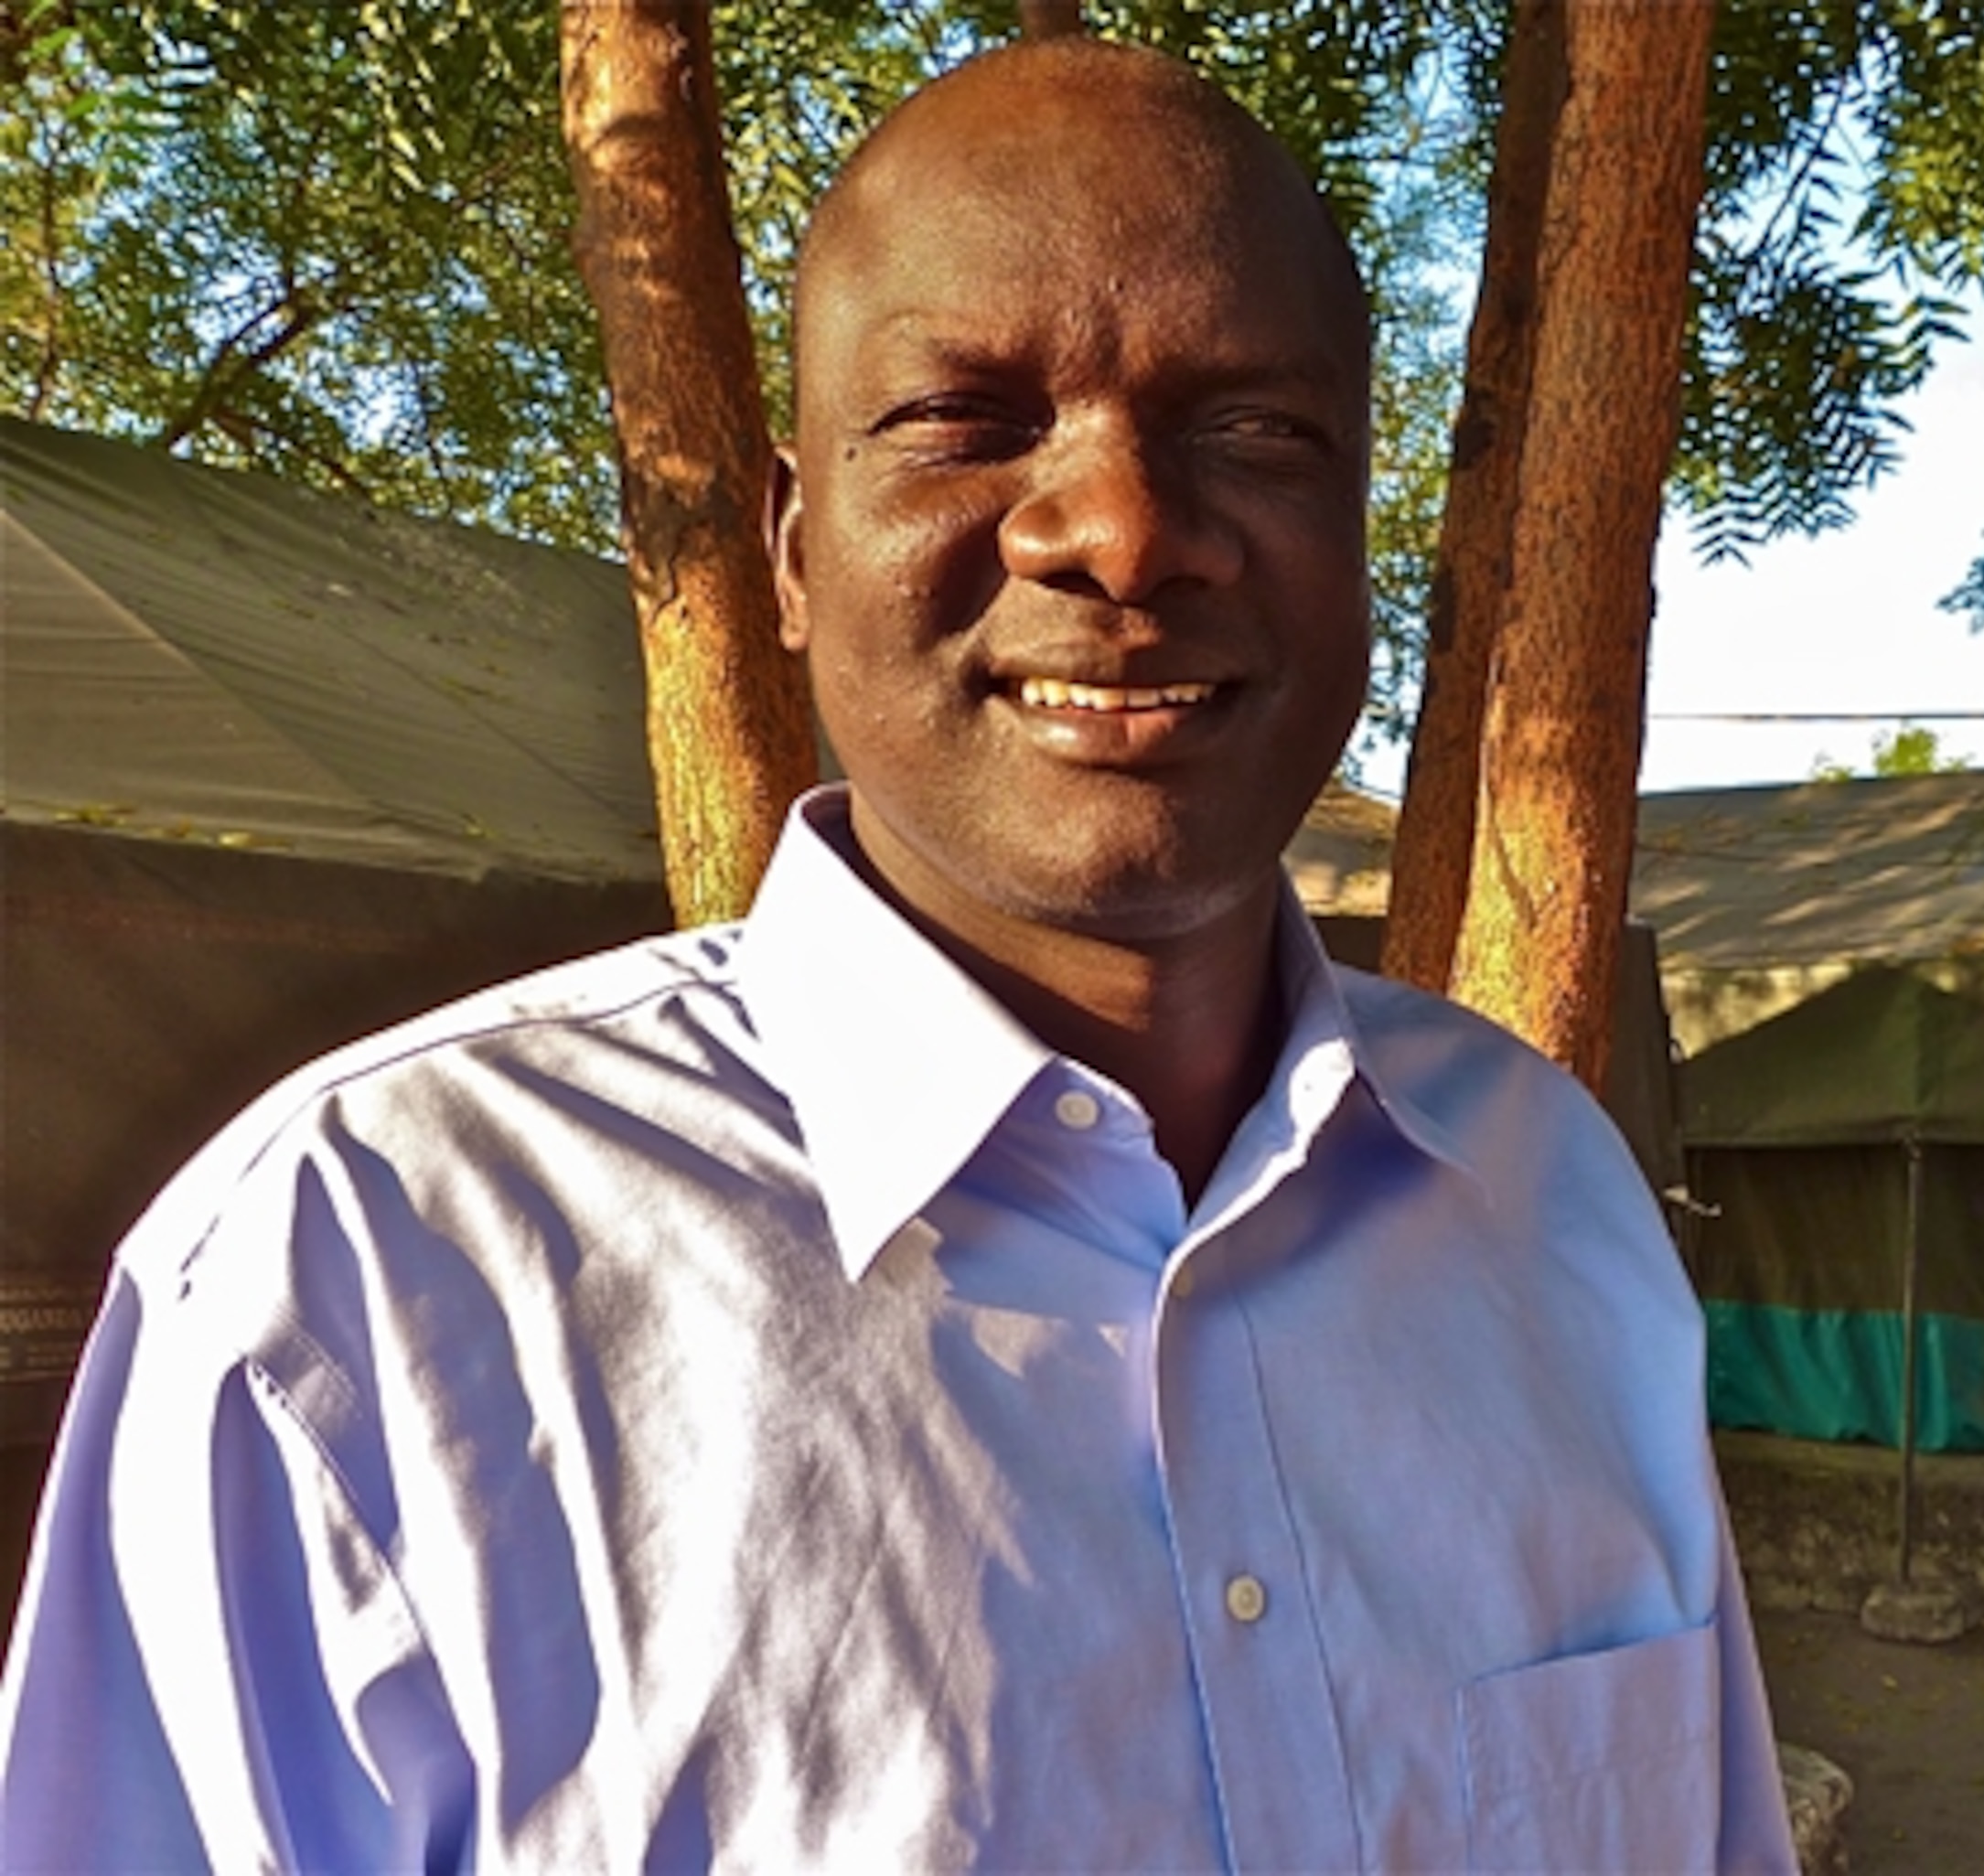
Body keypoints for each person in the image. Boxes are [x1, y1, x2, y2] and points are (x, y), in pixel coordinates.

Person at [0, 40, 1797, 1871]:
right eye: (961, 420)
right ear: (790, 546)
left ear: (1355, 534)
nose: (1121, 529)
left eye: (1253, 427)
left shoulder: (1549, 1200)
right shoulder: (353, 1287)